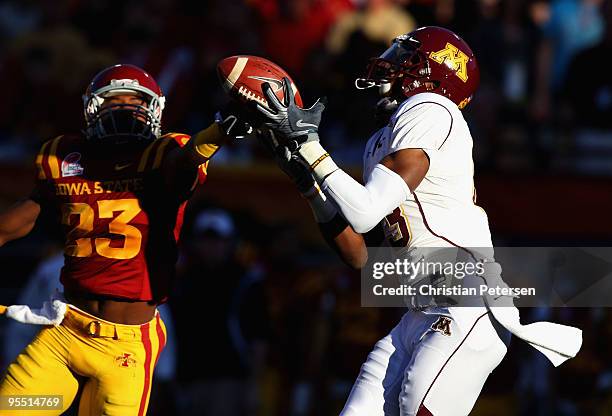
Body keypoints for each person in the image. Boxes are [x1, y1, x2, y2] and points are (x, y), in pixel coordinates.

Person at [254, 26, 583, 415]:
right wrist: (309, 185)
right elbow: (360, 255)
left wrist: (311, 147)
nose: (390, 64)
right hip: (418, 313)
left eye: (405, 57)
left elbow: (365, 208)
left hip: (466, 303)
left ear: (432, 73)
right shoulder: (382, 138)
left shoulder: (431, 107)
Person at [0, 63, 248, 415]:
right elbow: (24, 216)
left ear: (155, 110)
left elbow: (186, 161)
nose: (124, 110)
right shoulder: (67, 156)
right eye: (114, 101)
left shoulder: (165, 155)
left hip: (125, 349)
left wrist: (217, 133)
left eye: (134, 102)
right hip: (64, 333)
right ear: (91, 109)